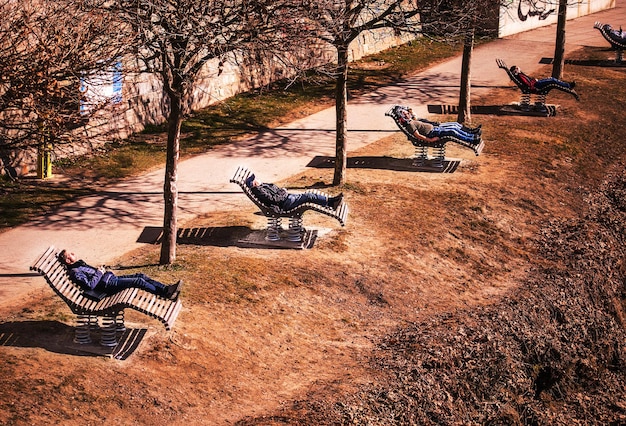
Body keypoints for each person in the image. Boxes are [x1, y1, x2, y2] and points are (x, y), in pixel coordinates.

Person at [58, 249, 182, 300]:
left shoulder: (78, 265)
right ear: (68, 260)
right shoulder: (75, 272)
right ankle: (166, 294)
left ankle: (166, 289)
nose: (74, 254)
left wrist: (99, 271)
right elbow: (90, 286)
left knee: (141, 275)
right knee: (138, 281)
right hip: (106, 286)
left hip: (109, 279)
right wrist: (99, 272)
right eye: (71, 254)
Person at [245, 174, 344, 211]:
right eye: (255, 180)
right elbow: (274, 199)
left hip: (287, 198)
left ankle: (331, 201)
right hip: (286, 203)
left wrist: (282, 191)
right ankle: (331, 203)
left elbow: (275, 191)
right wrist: (283, 191)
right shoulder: (259, 191)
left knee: (308, 195)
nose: (257, 179)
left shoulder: (261, 187)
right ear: (253, 184)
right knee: (308, 196)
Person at [398, 107, 482, 145]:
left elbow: (415, 117)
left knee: (454, 126)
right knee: (452, 131)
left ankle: (471, 134)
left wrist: (410, 112)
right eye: (405, 114)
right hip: (432, 133)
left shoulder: (411, 120)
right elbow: (418, 136)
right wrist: (431, 140)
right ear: (403, 118)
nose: (408, 114)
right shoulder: (410, 125)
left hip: (435, 129)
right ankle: (471, 140)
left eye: (407, 113)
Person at [508, 65, 577, 93]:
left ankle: (568, 85)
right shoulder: (520, 76)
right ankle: (568, 86)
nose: (519, 68)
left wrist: (534, 80)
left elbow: (528, 81)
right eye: (517, 68)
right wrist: (534, 81)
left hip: (536, 83)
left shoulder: (520, 75)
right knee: (552, 80)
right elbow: (528, 84)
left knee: (552, 79)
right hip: (537, 85)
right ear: (515, 71)